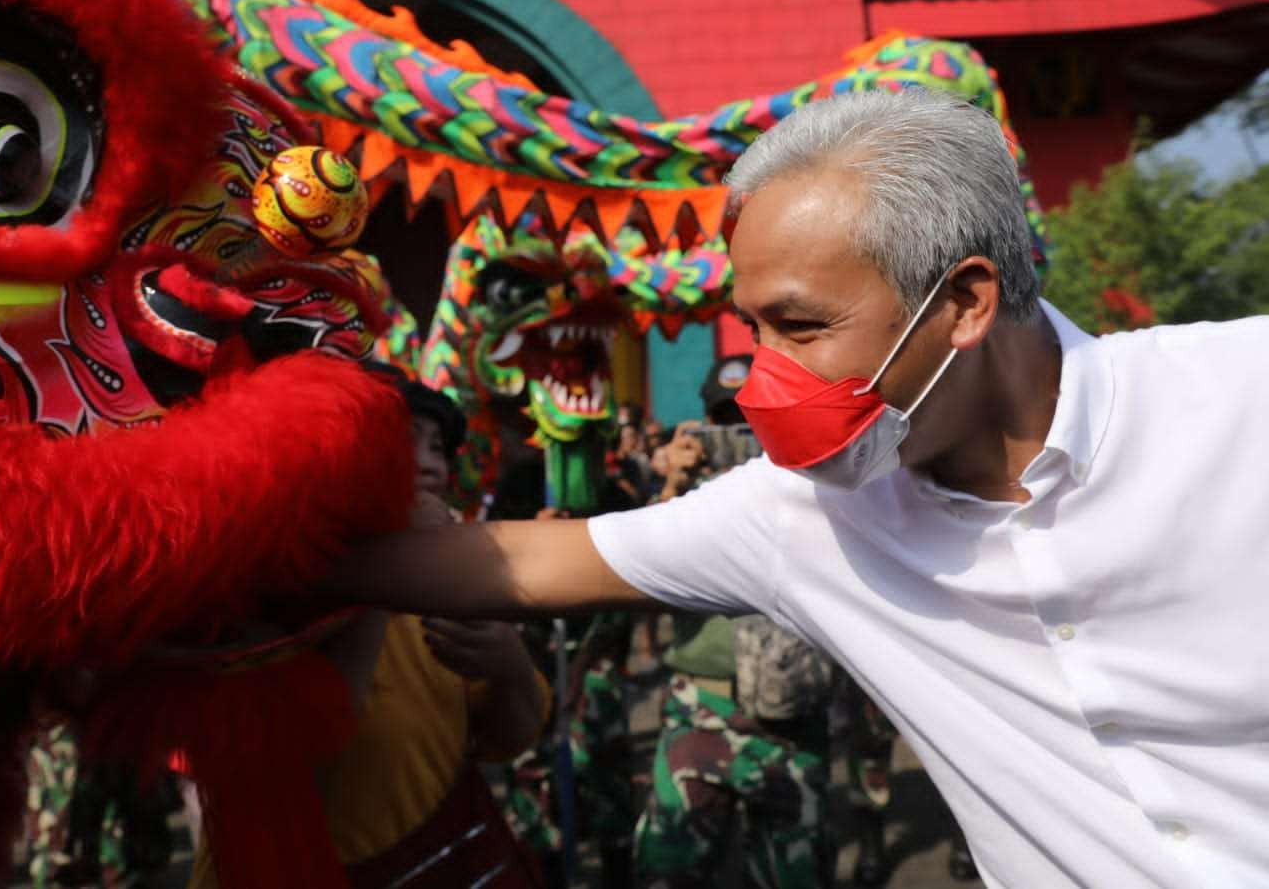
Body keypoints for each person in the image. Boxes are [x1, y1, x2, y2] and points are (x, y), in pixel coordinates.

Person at [325, 90, 1269, 888]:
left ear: (965, 302)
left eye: (801, 326)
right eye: (752, 329)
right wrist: (223, 528)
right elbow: (527, 561)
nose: (758, 377)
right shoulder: (797, 514)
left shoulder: (1239, 398)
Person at [189, 376, 549, 889]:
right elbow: (303, 751)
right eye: (405, 440)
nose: (430, 464)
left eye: (437, 448)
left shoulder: (444, 584)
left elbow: (504, 740)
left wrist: (510, 669)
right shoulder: (267, 580)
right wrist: (384, 578)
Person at [634, 368, 834, 889]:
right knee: (668, 869)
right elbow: (646, 572)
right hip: (702, 709)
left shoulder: (814, 488)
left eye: (753, 421)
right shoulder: (686, 502)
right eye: (726, 422)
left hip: (789, 720)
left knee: (790, 875)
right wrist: (674, 484)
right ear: (702, 427)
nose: (740, 436)